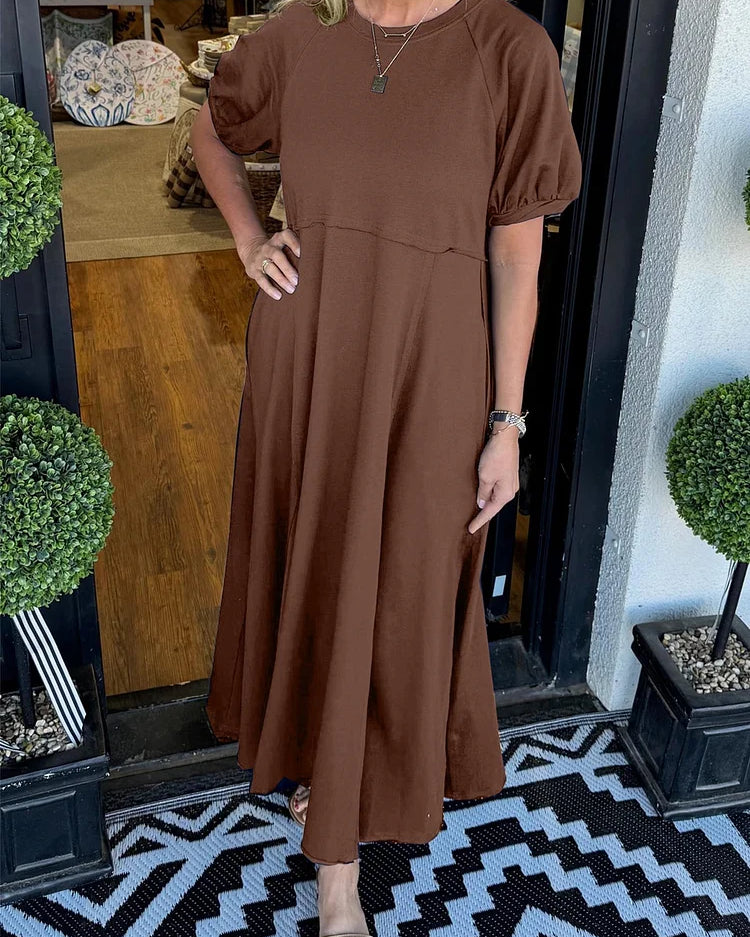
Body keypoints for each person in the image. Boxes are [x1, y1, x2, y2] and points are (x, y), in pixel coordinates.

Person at [190, 0, 581, 932]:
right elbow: (211, 129)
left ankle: (352, 785)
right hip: (310, 360)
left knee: (402, 581)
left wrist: (507, 421)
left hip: (432, 375)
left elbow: (517, 256)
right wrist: (248, 237)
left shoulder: (508, 49)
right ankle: (336, 862)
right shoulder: (300, 33)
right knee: (320, 565)